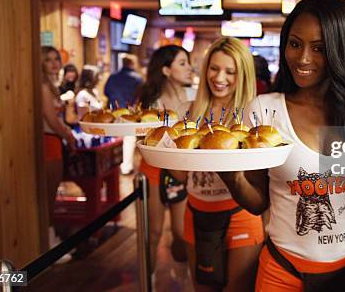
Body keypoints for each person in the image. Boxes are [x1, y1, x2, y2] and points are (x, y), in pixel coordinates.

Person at [217, 0, 345, 291]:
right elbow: (258, 201)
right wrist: (232, 177)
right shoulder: (264, 110)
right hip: (281, 272)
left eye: (319, 48)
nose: (302, 59)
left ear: (343, 52)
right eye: (295, 43)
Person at [172, 37, 263, 292]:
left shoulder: (254, 114)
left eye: (230, 71)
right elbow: (181, 176)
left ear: (242, 75)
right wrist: (154, 150)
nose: (219, 77)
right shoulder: (187, 112)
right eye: (214, 68)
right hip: (196, 212)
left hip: (240, 215)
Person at [137, 45, 195, 268]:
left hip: (182, 170)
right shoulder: (151, 103)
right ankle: (148, 280)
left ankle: (181, 277)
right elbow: (140, 140)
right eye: (182, 63)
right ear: (166, 70)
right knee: (153, 232)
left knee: (181, 234)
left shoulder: (195, 97)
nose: (189, 68)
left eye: (188, 62)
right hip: (153, 171)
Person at [40, 46, 77, 248]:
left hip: (53, 141)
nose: (54, 63)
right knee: (47, 197)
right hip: (48, 142)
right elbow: (52, 121)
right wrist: (69, 137)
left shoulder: (51, 85)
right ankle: (49, 244)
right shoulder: (44, 87)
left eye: (56, 58)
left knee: (50, 195)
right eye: (48, 59)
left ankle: (50, 240)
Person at [104, 54, 143, 174]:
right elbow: (140, 96)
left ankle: (111, 167)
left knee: (113, 139)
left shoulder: (112, 77)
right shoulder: (137, 78)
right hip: (129, 112)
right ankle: (126, 167)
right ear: (132, 64)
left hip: (113, 112)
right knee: (129, 138)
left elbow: (106, 92)